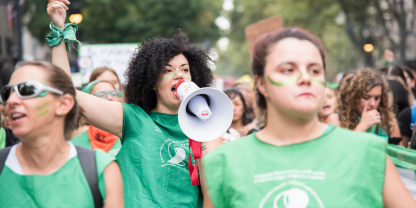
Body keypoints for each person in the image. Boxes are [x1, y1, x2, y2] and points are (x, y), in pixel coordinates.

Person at [202, 27, 415, 207]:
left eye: (314, 70)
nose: (305, 78)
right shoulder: (225, 162)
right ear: (261, 84)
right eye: (288, 69)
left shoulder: (370, 152)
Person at [48, 1, 221, 207]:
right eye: (167, 71)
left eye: (185, 70)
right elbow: (68, 94)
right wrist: (59, 32)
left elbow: (213, 195)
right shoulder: (131, 118)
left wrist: (203, 134)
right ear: (152, 83)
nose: (179, 76)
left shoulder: (208, 127)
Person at [0, 61, 124, 207]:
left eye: (27, 90)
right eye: (7, 93)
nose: (12, 101)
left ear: (63, 104)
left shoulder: (101, 169)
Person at [327, 69, 401, 140]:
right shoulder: (336, 120)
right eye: (366, 97)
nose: (372, 104)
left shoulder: (389, 120)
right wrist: (362, 126)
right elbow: (340, 151)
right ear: (353, 98)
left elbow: (399, 150)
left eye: (377, 98)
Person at [70, 80, 122, 158]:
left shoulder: (130, 135)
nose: (109, 97)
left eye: (113, 93)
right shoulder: (75, 144)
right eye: (101, 94)